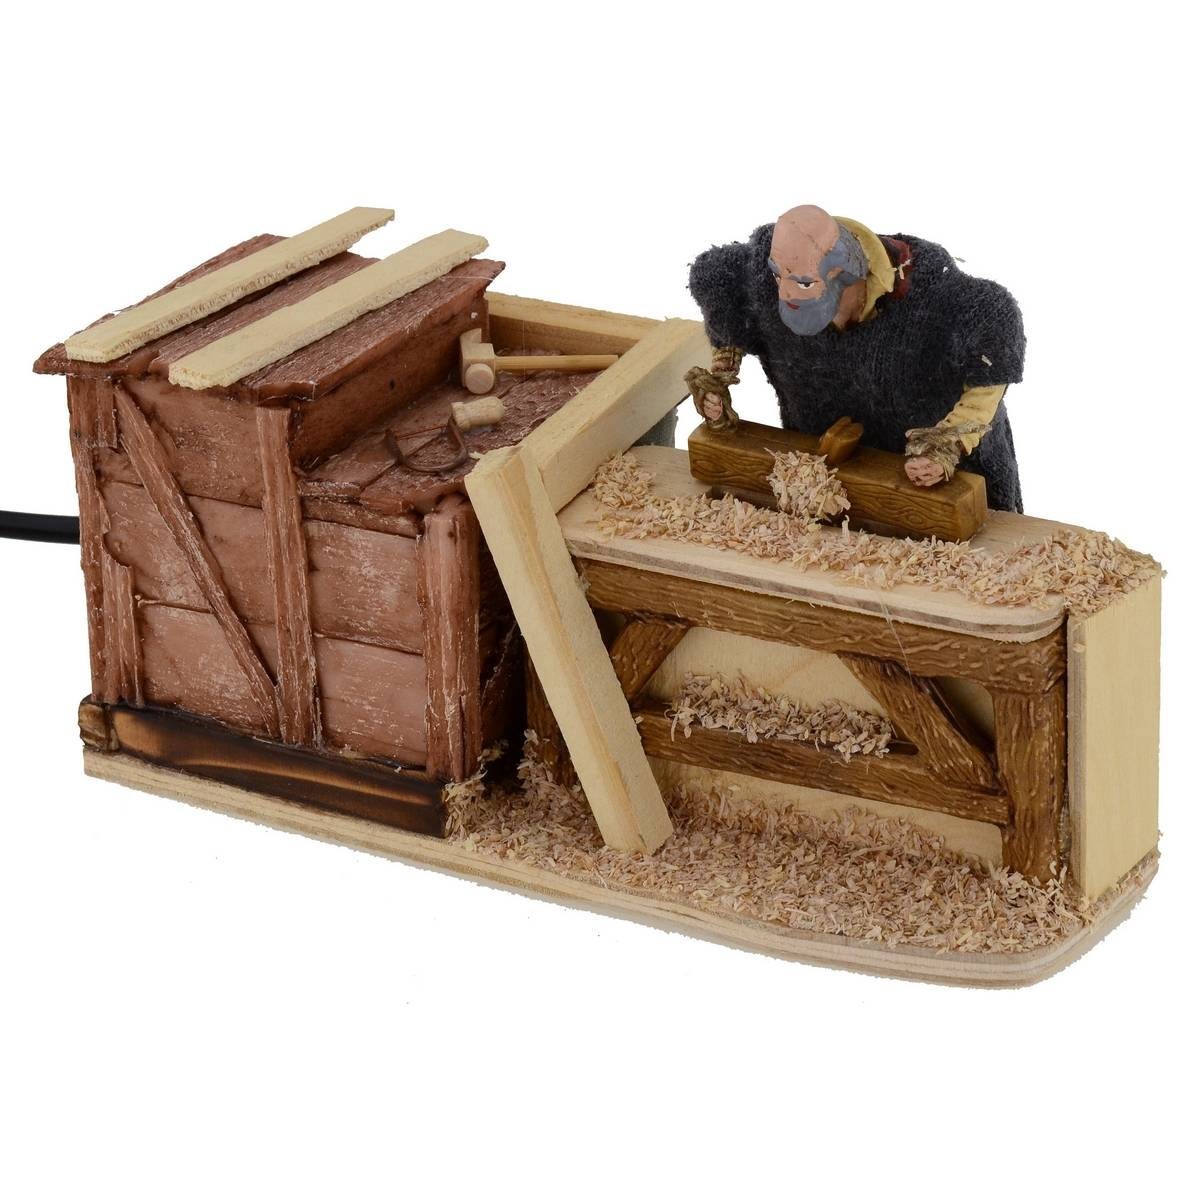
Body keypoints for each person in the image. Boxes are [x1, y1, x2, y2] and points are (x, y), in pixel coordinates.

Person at [686, 205, 1026, 511]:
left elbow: (992, 341)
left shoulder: (939, 298)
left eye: (804, 285)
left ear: (843, 273)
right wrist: (722, 369)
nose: (784, 291)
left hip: (945, 488)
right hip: (821, 491)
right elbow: (719, 281)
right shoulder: (766, 272)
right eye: (779, 278)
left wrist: (948, 443)